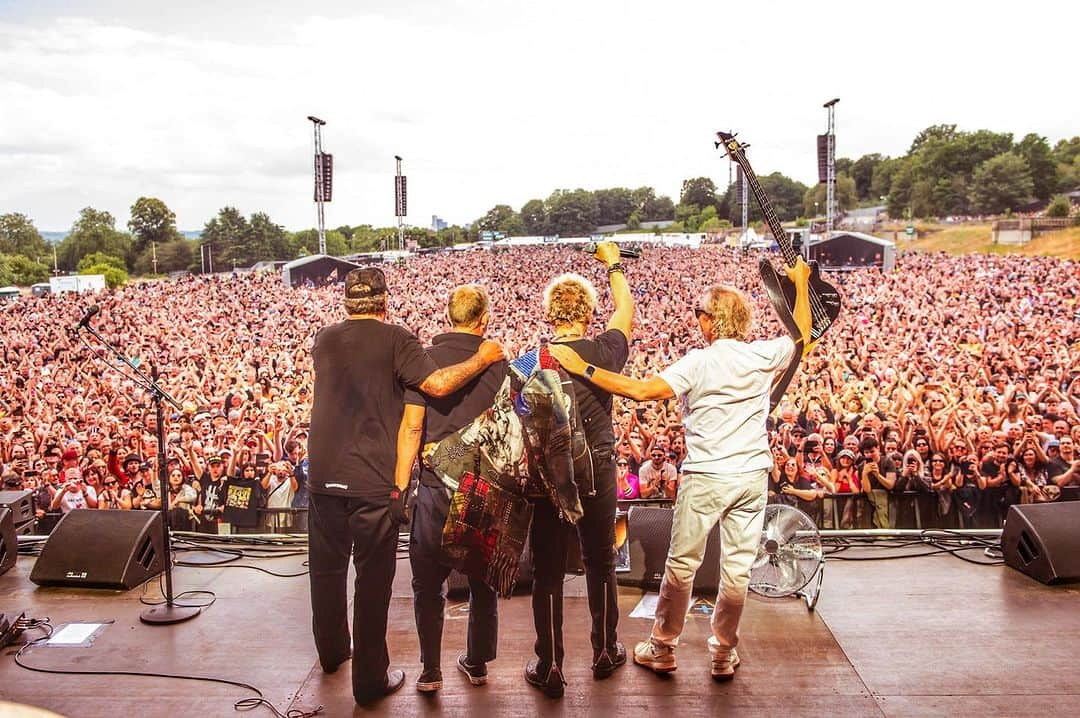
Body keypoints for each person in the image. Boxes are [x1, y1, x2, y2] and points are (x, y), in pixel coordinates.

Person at [549, 265, 813, 684]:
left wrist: (584, 369)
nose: (696, 320)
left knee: (682, 565)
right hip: (751, 475)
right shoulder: (764, 354)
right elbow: (802, 334)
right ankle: (724, 652)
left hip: (707, 474)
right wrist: (800, 282)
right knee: (738, 570)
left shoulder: (698, 362)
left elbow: (641, 391)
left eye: (698, 314)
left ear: (711, 320)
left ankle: (663, 647)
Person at [306, 267, 505, 705]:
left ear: (346, 302)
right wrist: (484, 358)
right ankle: (370, 681)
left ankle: (333, 652)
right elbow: (435, 385)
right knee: (373, 580)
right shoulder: (399, 339)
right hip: (372, 478)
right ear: (384, 301)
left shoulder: (323, 338)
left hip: (320, 473)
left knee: (326, 571)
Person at [522, 241, 634, 697]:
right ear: (588, 313)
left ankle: (550, 665)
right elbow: (625, 309)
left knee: (547, 570)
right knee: (601, 560)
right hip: (598, 472)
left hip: (550, 479)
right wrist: (613, 266)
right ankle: (605, 649)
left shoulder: (529, 362)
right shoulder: (604, 350)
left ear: (550, 315)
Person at [395, 284, 508, 693]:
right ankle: (477, 664)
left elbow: (410, 426)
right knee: (482, 582)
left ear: (448, 315)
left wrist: (400, 488)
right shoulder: (499, 364)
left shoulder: (424, 361)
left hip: (433, 491)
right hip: (484, 486)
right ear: (484, 319)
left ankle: (430, 671)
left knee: (427, 584)